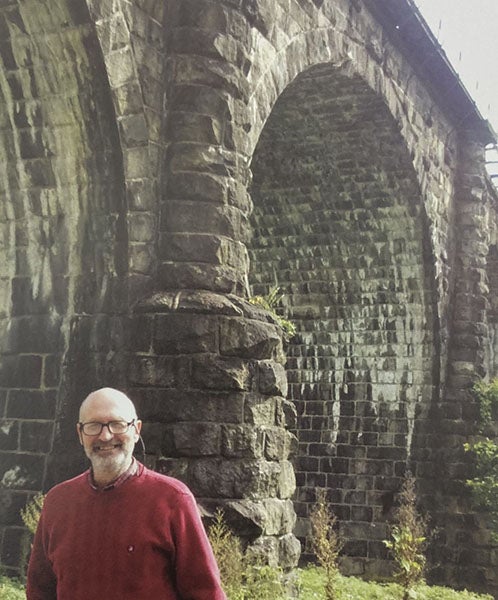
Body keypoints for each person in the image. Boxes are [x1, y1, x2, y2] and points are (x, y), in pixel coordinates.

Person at [26, 387, 226, 600]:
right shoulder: (58, 502)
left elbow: (206, 594)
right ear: (80, 434)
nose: (105, 435)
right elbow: (39, 591)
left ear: (136, 430)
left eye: (117, 424)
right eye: (93, 426)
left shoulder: (172, 500)